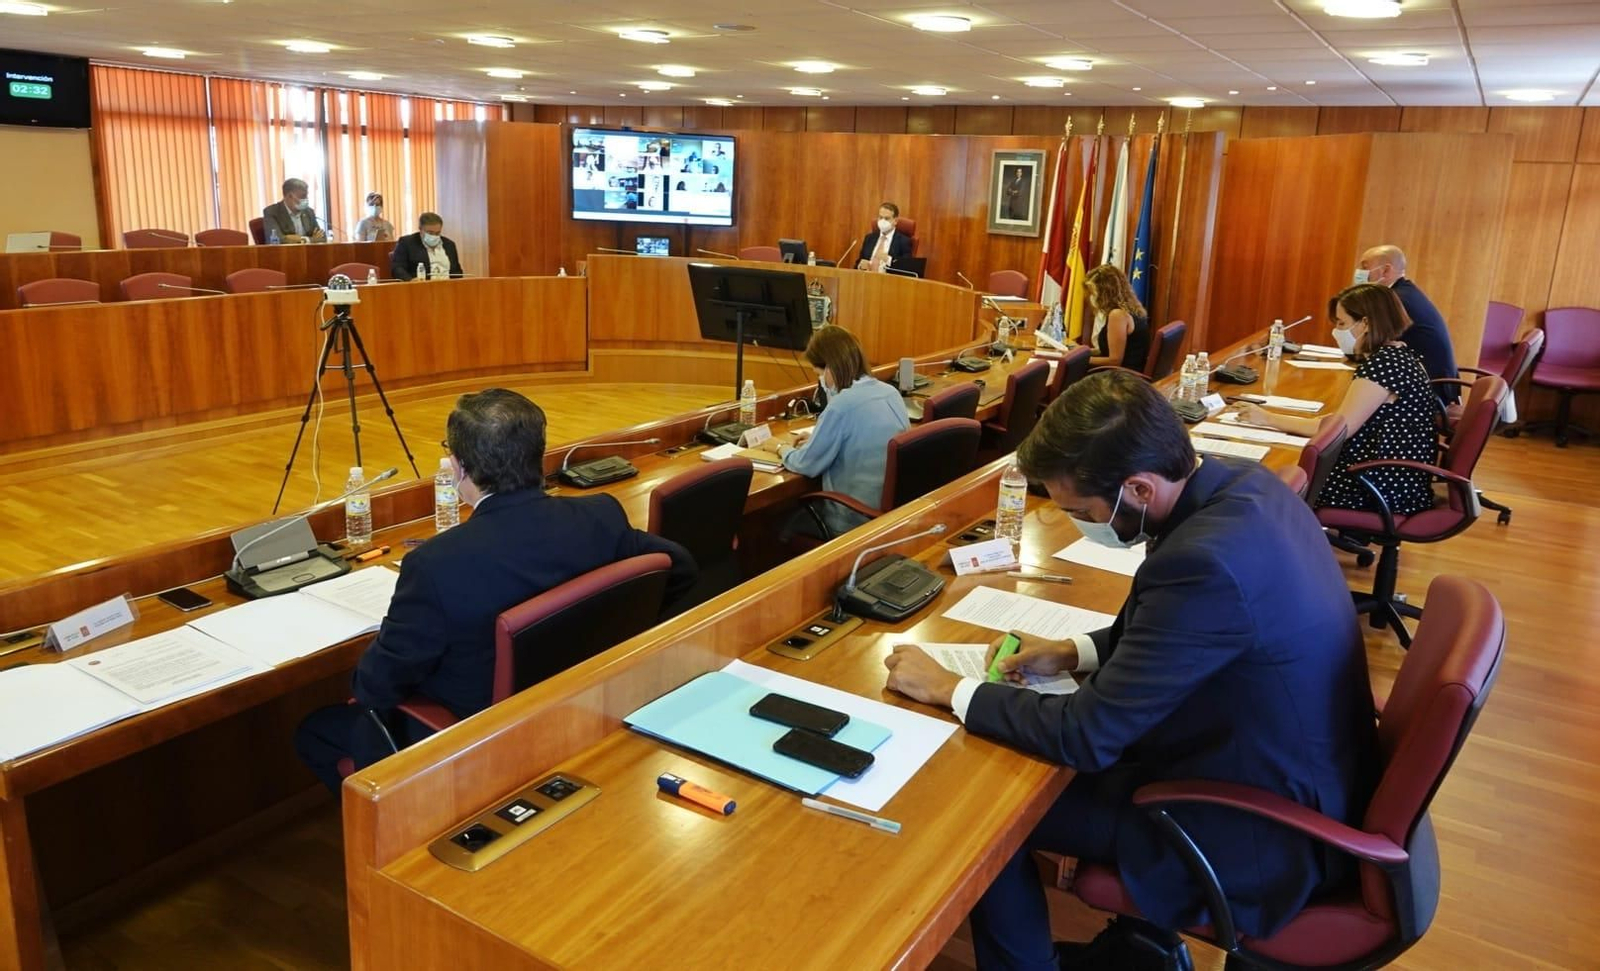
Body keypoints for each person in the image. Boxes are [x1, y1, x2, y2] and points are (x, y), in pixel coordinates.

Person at [882, 370, 1376, 970]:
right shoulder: (1246, 488)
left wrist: (948, 688)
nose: (1078, 518)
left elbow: (1087, 736)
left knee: (981, 816)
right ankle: (1139, 943)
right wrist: (1073, 652)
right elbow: (1173, 632)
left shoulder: (1204, 563)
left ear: (1139, 489)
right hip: (1273, 765)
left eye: (1080, 509)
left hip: (1249, 829)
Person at [294, 389, 697, 791]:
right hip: (588, 706)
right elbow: (679, 568)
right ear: (538, 455)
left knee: (314, 731)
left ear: (459, 468)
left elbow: (377, 686)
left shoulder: (435, 565)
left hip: (474, 741)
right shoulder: (600, 516)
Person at [1243, 284, 1438, 516]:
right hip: (1393, 476)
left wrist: (1266, 418)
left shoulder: (1385, 364)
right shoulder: (1399, 354)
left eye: (1342, 323)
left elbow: (1337, 430)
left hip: (1378, 486)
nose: (1336, 331)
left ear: (1365, 324)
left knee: (1270, 480)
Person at [758, 325, 909, 537]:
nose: (820, 381)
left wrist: (781, 448)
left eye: (818, 373)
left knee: (769, 522)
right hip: (886, 514)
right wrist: (817, 438)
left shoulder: (842, 404)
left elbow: (806, 464)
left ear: (830, 368)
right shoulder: (889, 392)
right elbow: (859, 437)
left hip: (850, 519)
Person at [1355, 244, 1459, 404]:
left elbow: (1371, 346)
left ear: (1385, 270)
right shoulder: (1403, 291)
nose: (1358, 272)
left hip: (1429, 389)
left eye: (1364, 267)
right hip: (1432, 381)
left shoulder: (1397, 299)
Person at [1083, 264, 1150, 371]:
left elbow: (1114, 361)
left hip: (1121, 378)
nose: (1091, 297)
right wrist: (1082, 353)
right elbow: (1108, 350)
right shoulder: (1132, 309)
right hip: (1128, 374)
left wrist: (1079, 360)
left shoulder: (1117, 315)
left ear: (1106, 292)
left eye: (1093, 292)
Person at [390, 212, 463, 281]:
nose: (434, 236)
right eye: (430, 233)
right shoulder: (407, 243)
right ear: (420, 229)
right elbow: (397, 268)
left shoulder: (449, 245)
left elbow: (457, 271)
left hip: (448, 286)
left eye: (437, 233)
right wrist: (410, 280)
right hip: (421, 287)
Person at [261, 177, 325, 243]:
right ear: (289, 196)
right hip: (285, 253)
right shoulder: (271, 212)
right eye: (303, 196)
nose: (306, 199)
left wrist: (302, 239)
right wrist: (311, 239)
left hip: (308, 252)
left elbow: (322, 238)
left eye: (306, 196)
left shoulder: (309, 212)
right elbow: (277, 240)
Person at [855, 202, 913, 271]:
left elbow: (906, 267)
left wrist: (888, 259)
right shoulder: (869, 238)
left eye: (887, 218)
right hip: (867, 278)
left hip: (888, 280)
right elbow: (859, 262)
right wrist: (860, 266)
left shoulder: (903, 241)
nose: (883, 221)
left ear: (895, 221)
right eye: (880, 217)